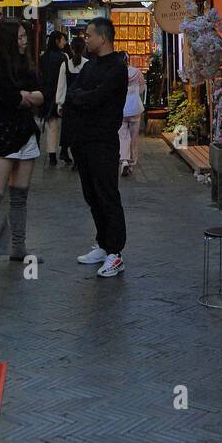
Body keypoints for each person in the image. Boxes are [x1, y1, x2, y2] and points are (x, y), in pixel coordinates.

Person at [0, 21, 43, 262]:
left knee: (20, 195)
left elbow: (40, 94)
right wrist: (25, 96)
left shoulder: (25, 64)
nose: (24, 41)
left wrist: (26, 96)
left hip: (26, 134)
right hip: (2, 134)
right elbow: (13, 99)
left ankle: (19, 248)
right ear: (9, 39)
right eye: (21, 37)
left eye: (25, 36)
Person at [66, 18, 128, 278]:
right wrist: (83, 97)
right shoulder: (89, 67)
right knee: (91, 195)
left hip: (103, 141)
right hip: (83, 140)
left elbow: (96, 98)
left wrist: (83, 98)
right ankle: (103, 245)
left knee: (107, 194)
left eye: (89, 35)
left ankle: (115, 252)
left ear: (103, 38)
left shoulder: (117, 67)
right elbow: (73, 93)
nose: (86, 39)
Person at [56, 32, 87, 166]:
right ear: (84, 48)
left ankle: (64, 150)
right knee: (80, 131)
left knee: (67, 128)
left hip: (69, 102)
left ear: (72, 49)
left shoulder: (65, 64)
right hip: (82, 102)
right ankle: (77, 159)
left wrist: (59, 104)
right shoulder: (88, 64)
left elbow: (61, 85)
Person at [38, 29, 68, 166]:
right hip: (61, 93)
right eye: (63, 40)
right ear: (57, 41)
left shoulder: (43, 57)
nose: (65, 42)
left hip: (47, 93)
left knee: (51, 125)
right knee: (64, 125)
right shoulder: (63, 57)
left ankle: (51, 154)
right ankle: (64, 150)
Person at [118, 53, 146, 176]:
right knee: (134, 138)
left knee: (123, 136)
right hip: (135, 108)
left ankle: (124, 159)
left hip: (121, 109)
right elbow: (142, 87)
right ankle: (131, 163)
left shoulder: (117, 73)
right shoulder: (137, 72)